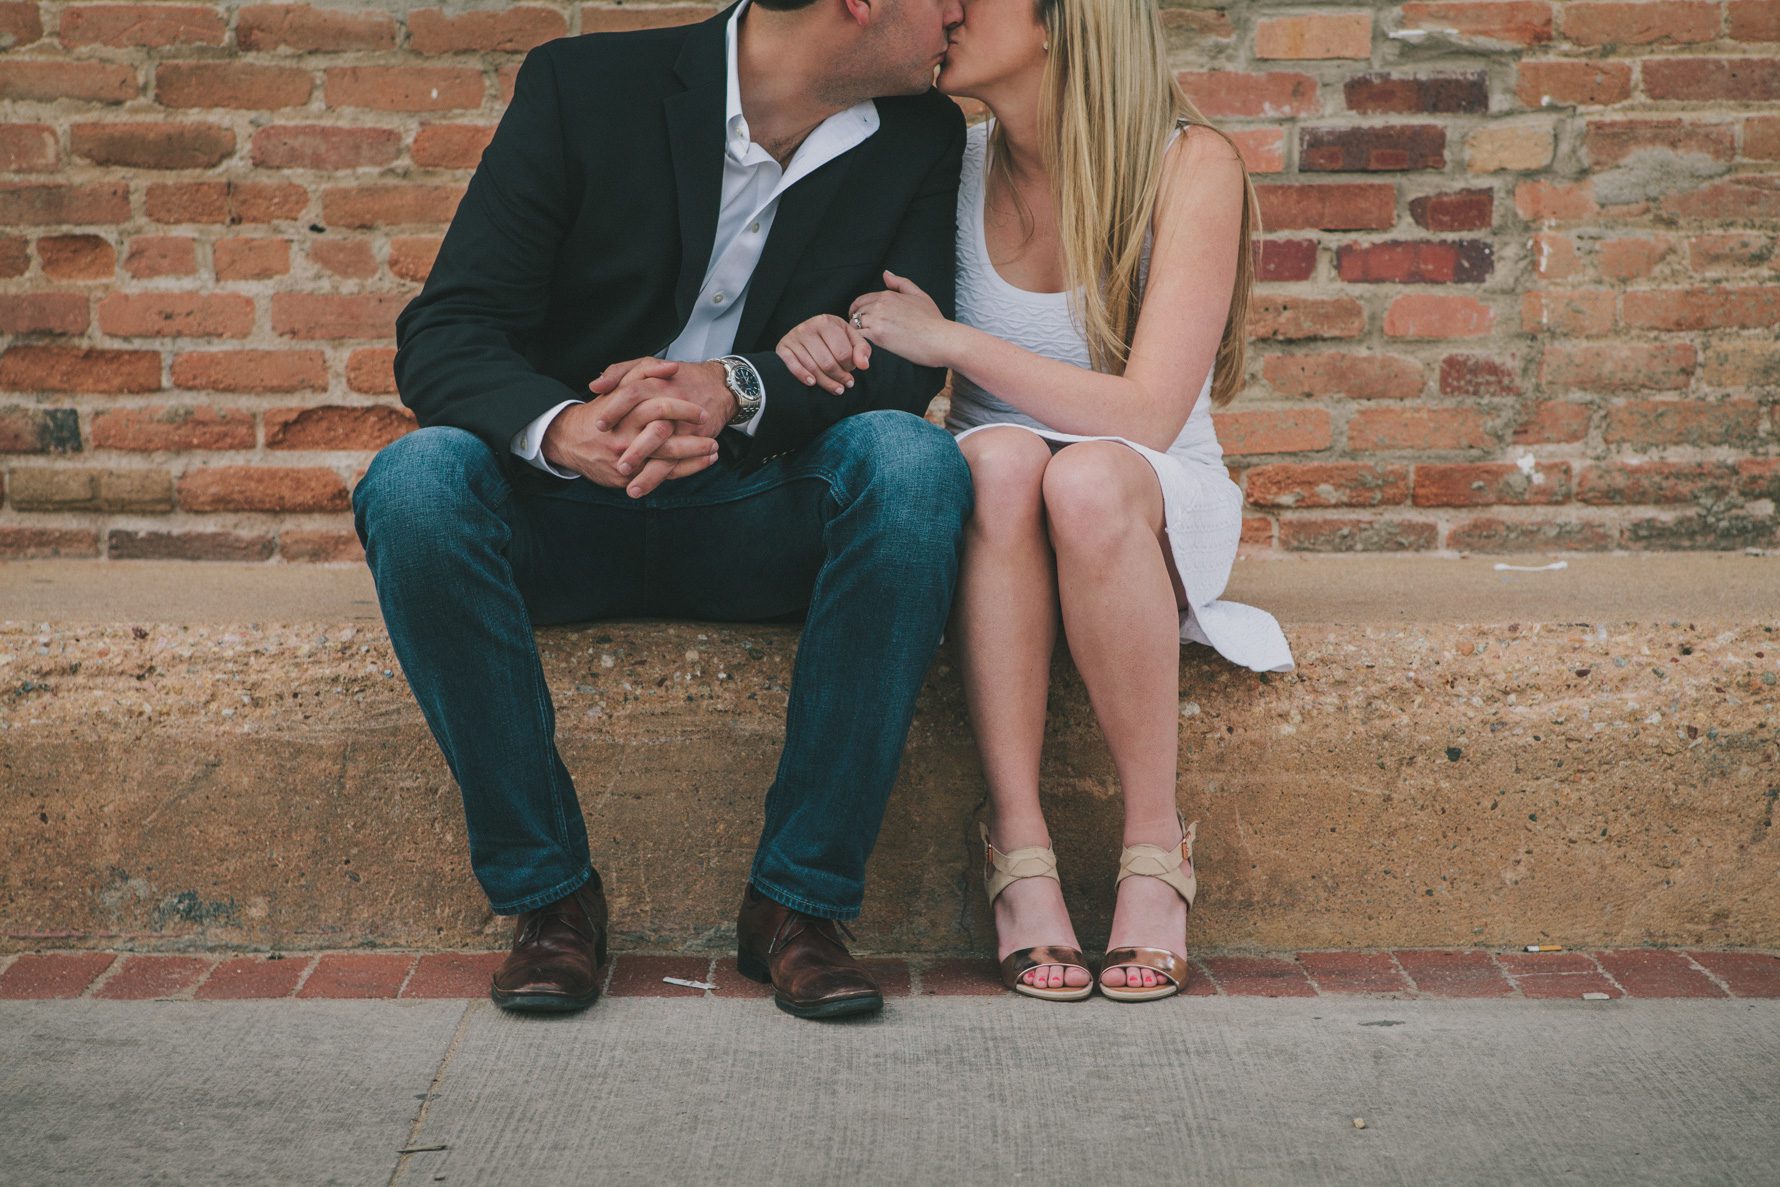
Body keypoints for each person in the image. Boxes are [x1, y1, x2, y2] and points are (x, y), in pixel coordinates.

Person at [352, 0, 970, 1020]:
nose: (959, 10)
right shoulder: (584, 90)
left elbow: (904, 361)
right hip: (563, 514)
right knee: (412, 484)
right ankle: (550, 900)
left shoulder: (919, 132)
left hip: (758, 510)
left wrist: (745, 385)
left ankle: (798, 903)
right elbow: (448, 333)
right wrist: (563, 430)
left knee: (913, 464)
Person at [775, 0, 1293, 1002]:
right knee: (1007, 461)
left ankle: (1153, 841)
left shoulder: (1191, 165)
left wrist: (957, 343)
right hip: (995, 488)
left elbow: (1145, 410)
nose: (949, 7)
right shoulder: (946, 159)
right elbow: (851, 303)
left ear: (1064, 21)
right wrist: (812, 328)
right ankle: (1019, 843)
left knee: (1084, 474)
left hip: (1144, 486)